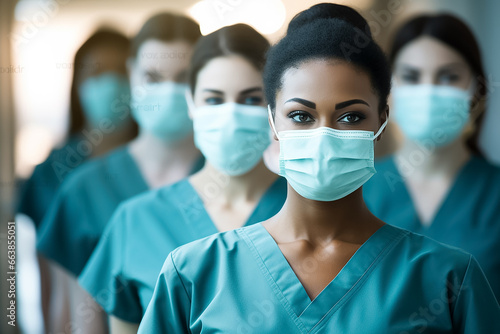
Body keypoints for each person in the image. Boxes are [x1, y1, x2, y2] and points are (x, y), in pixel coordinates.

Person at [138, 4, 500, 333]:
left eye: (350, 116)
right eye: (301, 116)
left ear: (382, 122)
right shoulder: (194, 274)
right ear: (272, 122)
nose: (324, 134)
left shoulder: (449, 278)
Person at [79, 23, 286, 334]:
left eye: (251, 99)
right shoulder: (136, 221)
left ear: (275, 106)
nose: (229, 117)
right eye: (214, 100)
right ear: (191, 103)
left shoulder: (308, 210)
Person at [36, 13, 203, 333]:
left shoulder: (237, 183)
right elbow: (67, 316)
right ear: (132, 76)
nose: (168, 92)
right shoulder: (84, 191)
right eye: (153, 78)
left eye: (182, 78)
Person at [362, 14, 500, 300]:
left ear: (477, 91)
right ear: (388, 91)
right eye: (411, 77)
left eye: (448, 77)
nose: (428, 91)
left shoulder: (493, 192)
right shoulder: (358, 188)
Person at [16, 28, 133, 334]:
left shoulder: (153, 164)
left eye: (119, 72)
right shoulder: (52, 173)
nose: (108, 84)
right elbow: (44, 273)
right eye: (96, 73)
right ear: (77, 85)